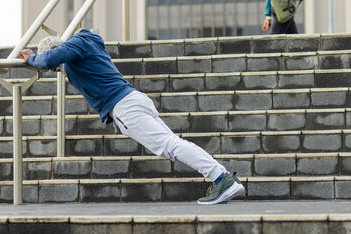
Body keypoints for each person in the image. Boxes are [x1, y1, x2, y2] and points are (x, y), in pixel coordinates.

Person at [19, 29, 245, 204]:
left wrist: (32, 59)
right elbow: (58, 63)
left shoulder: (76, 44)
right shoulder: (85, 49)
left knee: (170, 146)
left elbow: (48, 60)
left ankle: (221, 179)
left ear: (58, 48)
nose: (58, 68)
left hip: (125, 107)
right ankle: (223, 178)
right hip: (133, 100)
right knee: (173, 144)